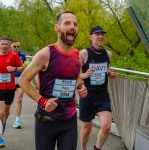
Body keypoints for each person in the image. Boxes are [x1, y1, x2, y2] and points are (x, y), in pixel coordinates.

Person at [19, 11, 87, 150]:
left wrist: (81, 87)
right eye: (67, 23)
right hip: (46, 121)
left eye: (75, 24)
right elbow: (23, 80)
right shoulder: (46, 54)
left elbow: (76, 77)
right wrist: (42, 101)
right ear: (57, 28)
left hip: (69, 121)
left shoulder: (77, 55)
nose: (72, 27)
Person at [79, 26, 116, 150]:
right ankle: (83, 148)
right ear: (91, 37)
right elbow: (75, 75)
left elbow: (107, 69)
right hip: (87, 95)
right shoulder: (84, 53)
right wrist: (85, 74)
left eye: (102, 34)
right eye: (97, 34)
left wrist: (110, 74)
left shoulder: (108, 54)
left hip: (102, 96)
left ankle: (97, 148)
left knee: (106, 127)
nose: (101, 36)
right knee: (87, 129)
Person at [0, 36, 23, 148]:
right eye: (2, 44)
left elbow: (22, 67)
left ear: (9, 46)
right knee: (1, 111)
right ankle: (0, 137)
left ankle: (2, 124)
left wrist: (14, 69)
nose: (4, 46)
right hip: (0, 88)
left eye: (6, 44)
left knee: (6, 113)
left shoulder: (13, 56)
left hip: (10, 88)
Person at [11, 40, 28, 129]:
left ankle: (17, 120)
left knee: (20, 99)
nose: (16, 48)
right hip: (9, 80)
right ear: (11, 46)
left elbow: (25, 66)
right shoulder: (7, 54)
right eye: (14, 46)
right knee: (7, 102)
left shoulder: (22, 55)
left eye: (18, 46)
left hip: (20, 79)